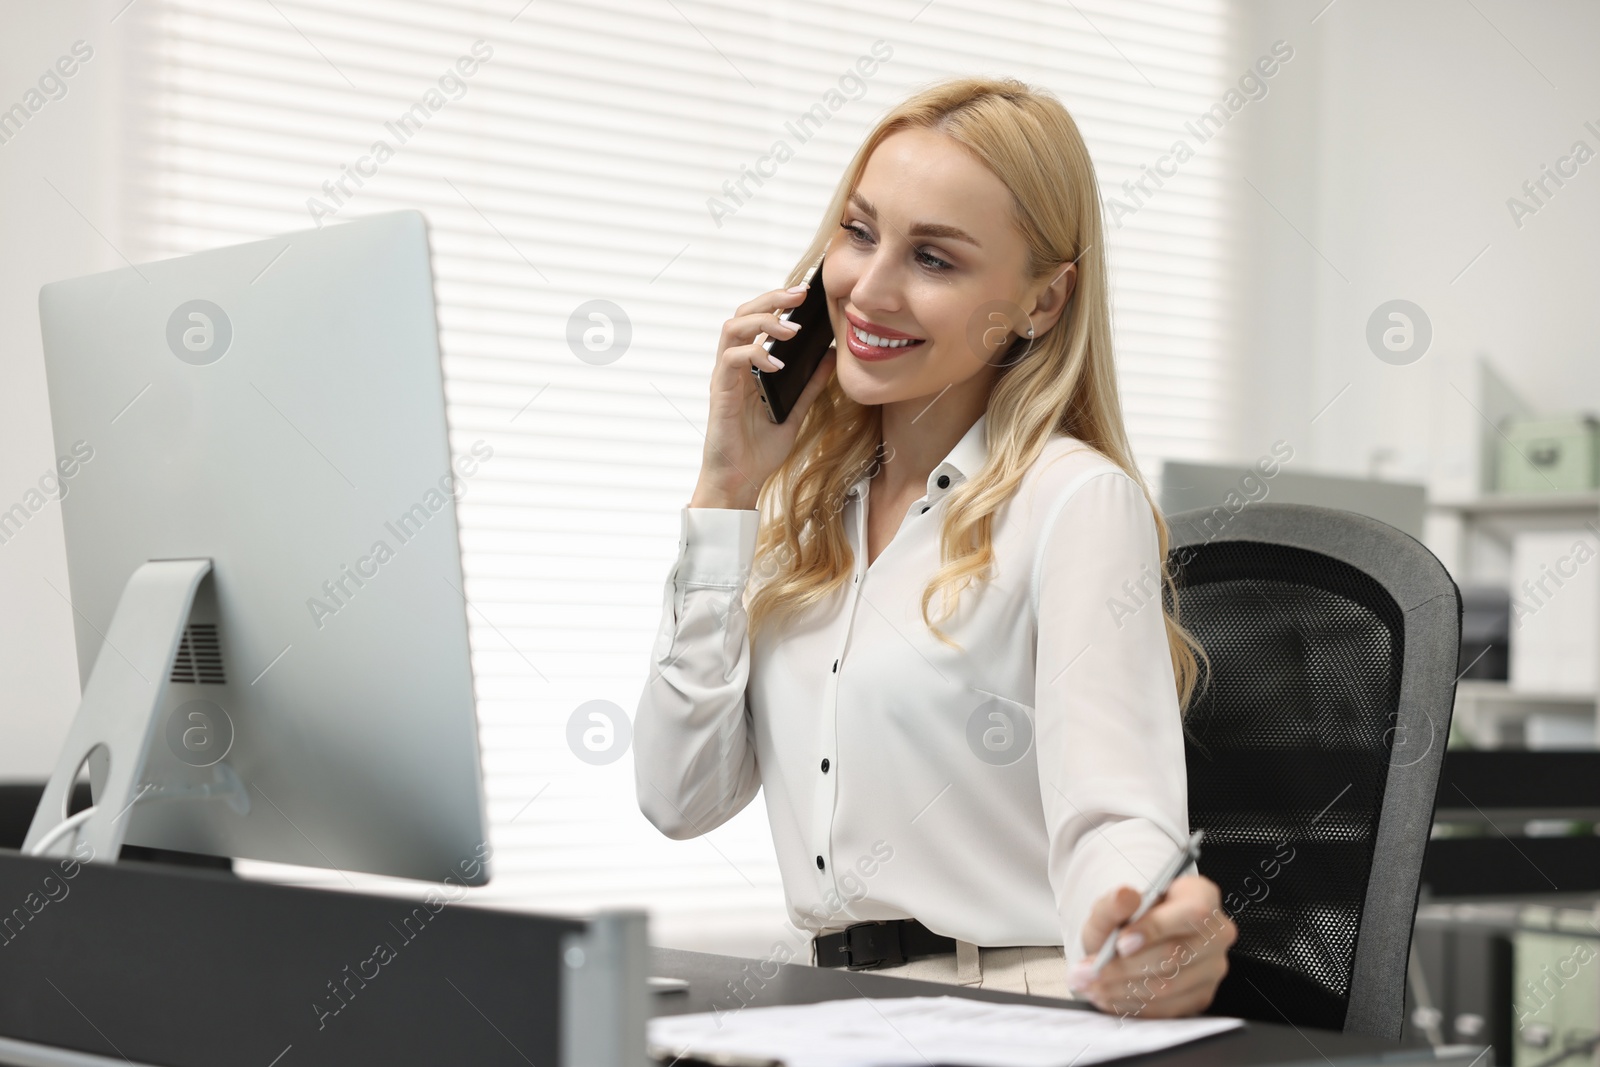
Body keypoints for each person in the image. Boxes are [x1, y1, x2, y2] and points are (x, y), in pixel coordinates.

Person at [633, 75, 1236, 1018]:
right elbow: (679, 797)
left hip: (1010, 1010)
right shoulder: (819, 512)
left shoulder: (1074, 503)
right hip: (832, 1005)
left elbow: (1113, 811)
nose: (868, 289)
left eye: (935, 259)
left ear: (1042, 302)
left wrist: (1146, 922)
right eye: (860, 231)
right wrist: (725, 493)